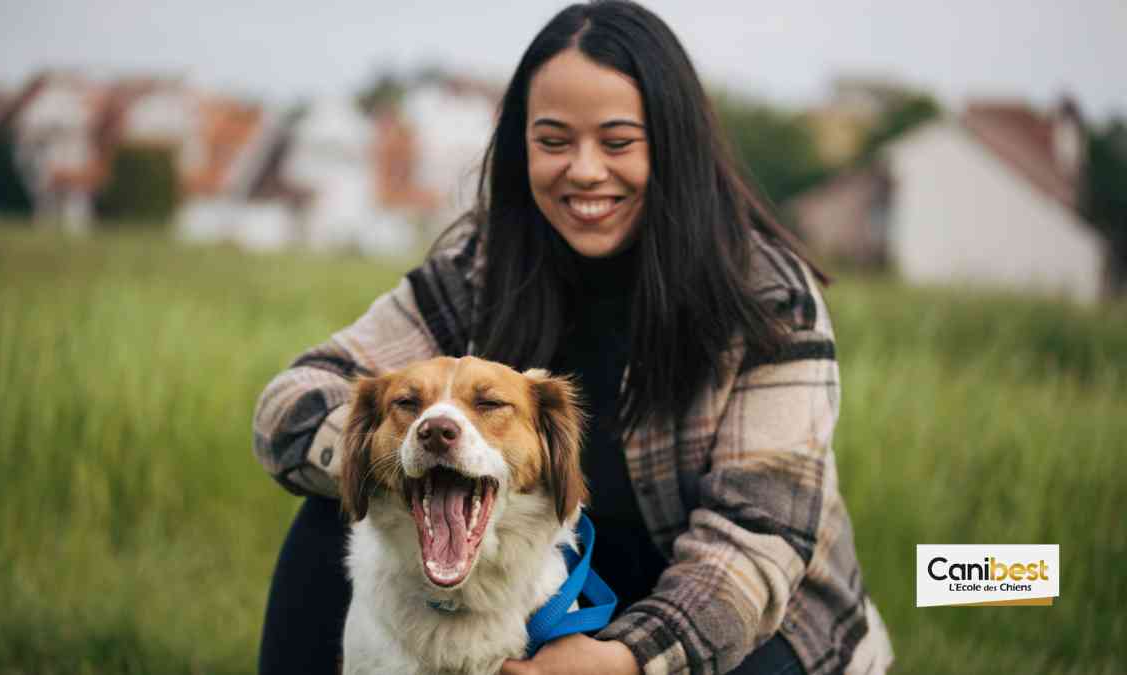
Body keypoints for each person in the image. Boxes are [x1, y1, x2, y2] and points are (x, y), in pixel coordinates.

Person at [252, 2, 894, 674]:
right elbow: (287, 406)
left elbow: (759, 537)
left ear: (672, 144)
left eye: (618, 143)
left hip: (744, 625)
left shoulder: (765, 297)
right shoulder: (483, 268)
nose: (584, 170)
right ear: (521, 146)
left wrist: (624, 657)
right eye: (554, 141)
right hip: (547, 592)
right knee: (334, 514)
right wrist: (387, 454)